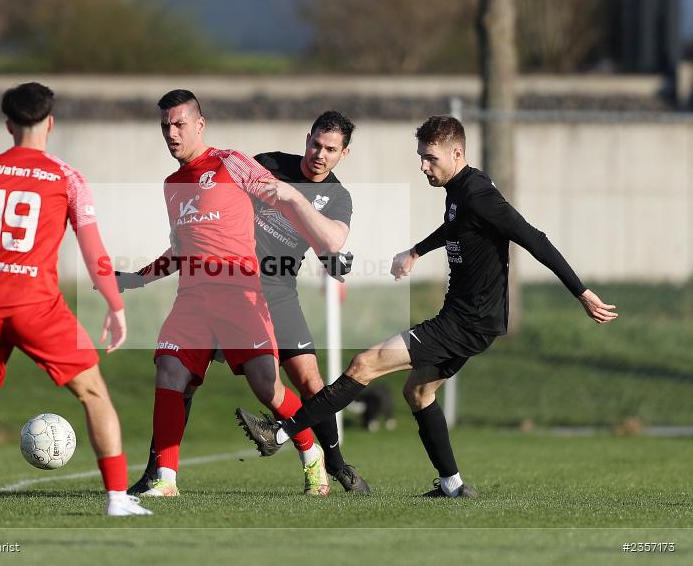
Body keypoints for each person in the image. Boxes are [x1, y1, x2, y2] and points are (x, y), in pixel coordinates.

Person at [235, 115, 618, 497]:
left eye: (430, 158)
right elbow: (456, 226)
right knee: (419, 394)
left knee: (364, 364)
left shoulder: (479, 194)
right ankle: (452, 485)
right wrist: (417, 251)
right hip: (472, 321)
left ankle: (278, 433)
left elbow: (534, 238)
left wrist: (581, 293)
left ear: (457, 153)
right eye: (421, 156)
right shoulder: (461, 190)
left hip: (465, 322)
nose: (423, 166)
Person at [0, 82, 150, 517]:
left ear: (9, 125)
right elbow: (94, 251)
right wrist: (115, 304)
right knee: (93, 392)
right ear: (50, 123)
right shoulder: (67, 178)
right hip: (38, 306)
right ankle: (116, 498)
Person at [124, 111, 370, 495]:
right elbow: (213, 207)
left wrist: (331, 257)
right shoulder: (268, 164)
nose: (320, 155)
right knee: (178, 377)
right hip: (226, 284)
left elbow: (331, 239)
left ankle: (335, 464)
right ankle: (156, 472)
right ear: (307, 138)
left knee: (306, 382)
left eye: (330, 149)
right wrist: (143, 275)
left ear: (344, 154)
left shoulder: (337, 197)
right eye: (316, 144)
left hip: (277, 289)